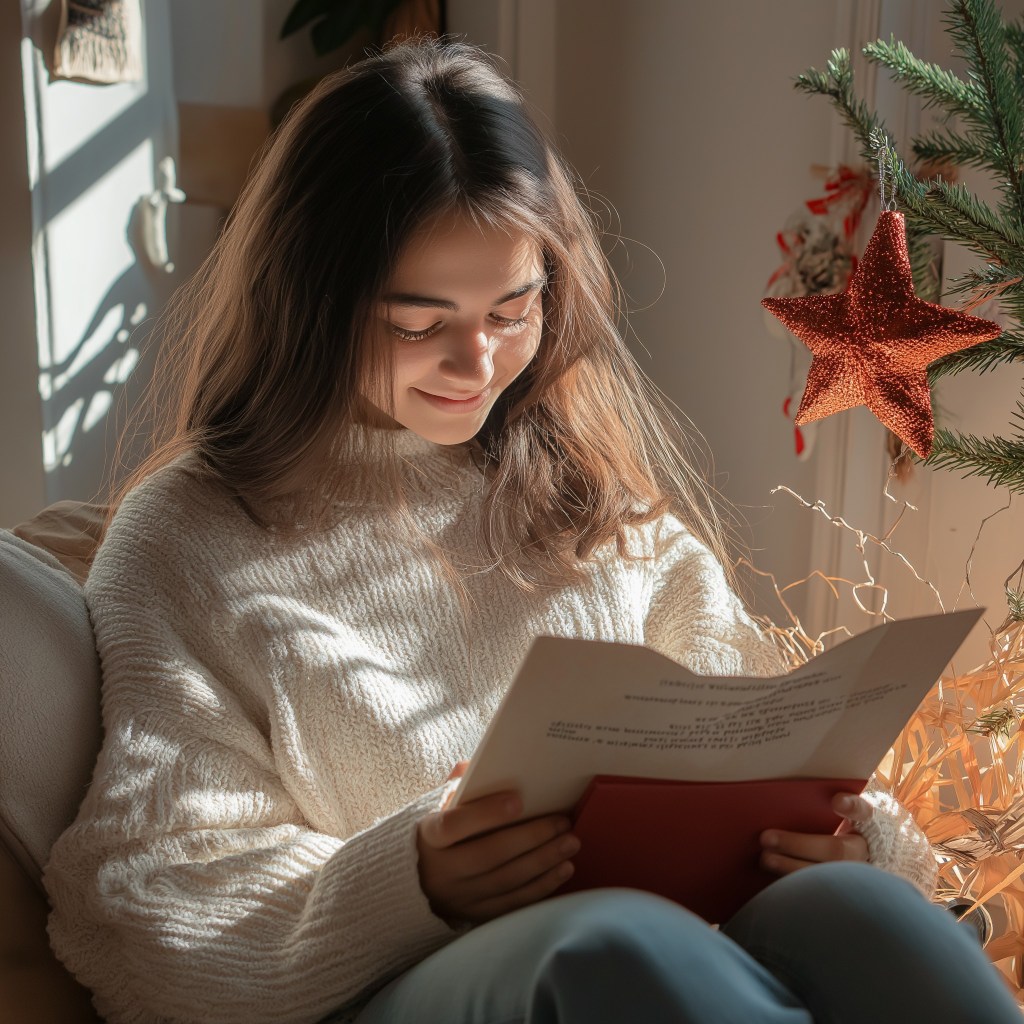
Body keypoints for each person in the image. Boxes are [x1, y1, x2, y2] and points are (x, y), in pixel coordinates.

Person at [42, 36, 1020, 1024]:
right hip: (408, 984)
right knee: (611, 943)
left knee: (856, 907)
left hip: (667, 942)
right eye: (419, 323)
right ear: (313, 302)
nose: (477, 361)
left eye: (513, 308)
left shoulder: (579, 484)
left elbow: (759, 726)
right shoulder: (188, 537)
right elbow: (137, 908)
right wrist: (413, 878)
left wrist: (849, 839)